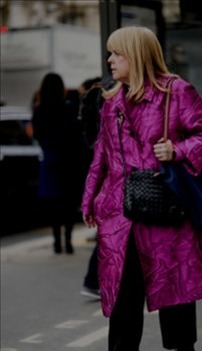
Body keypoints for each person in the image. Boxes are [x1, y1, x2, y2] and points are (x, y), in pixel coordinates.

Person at [80, 26, 202, 351]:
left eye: (116, 54)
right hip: (120, 214)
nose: (110, 61)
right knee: (122, 299)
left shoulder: (175, 92)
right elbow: (102, 154)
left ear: (136, 55)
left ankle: (183, 349)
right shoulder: (111, 100)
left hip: (165, 209)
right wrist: (90, 196)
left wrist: (177, 149)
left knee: (174, 287)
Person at [32, 72, 87, 255]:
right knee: (69, 203)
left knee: (54, 204)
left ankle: (56, 241)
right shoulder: (67, 109)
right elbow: (76, 135)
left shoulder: (39, 111)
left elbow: (37, 136)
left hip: (50, 159)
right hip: (68, 160)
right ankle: (69, 241)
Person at [79, 76, 106, 300]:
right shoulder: (107, 99)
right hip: (109, 178)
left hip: (101, 173)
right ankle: (93, 280)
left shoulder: (90, 99)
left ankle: (93, 280)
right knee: (108, 234)